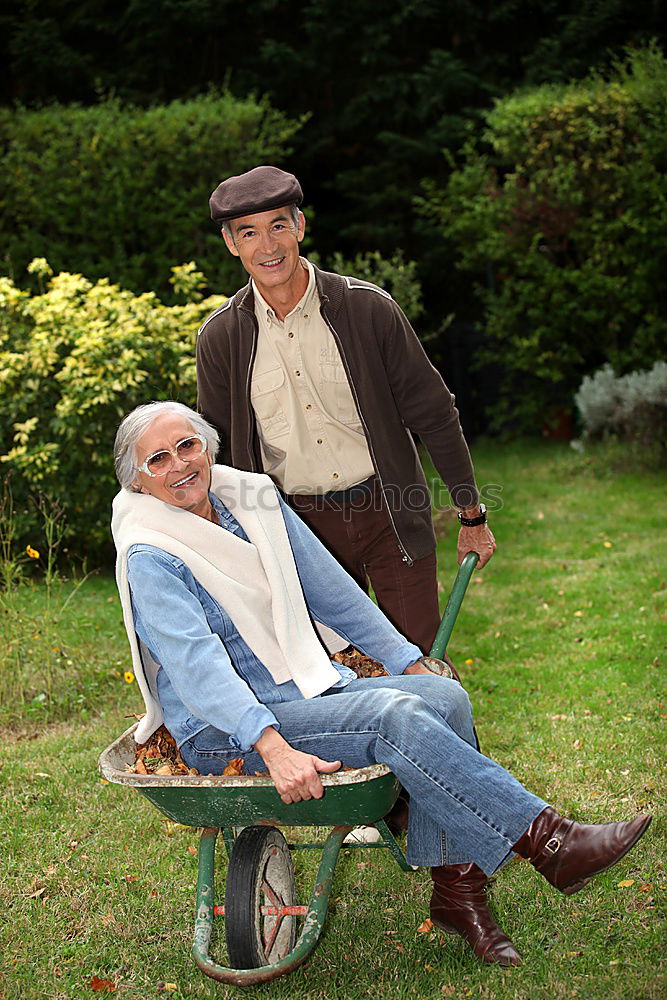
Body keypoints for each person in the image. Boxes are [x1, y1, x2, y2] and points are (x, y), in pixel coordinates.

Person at [111, 400, 651, 970]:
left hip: (302, 688)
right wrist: (271, 747)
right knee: (393, 717)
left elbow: (330, 588)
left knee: (443, 697)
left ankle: (457, 894)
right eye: (157, 460)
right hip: (228, 729)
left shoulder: (249, 500)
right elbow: (198, 669)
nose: (179, 465)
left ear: (208, 446)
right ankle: (551, 843)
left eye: (187, 446)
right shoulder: (152, 554)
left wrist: (405, 658)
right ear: (139, 483)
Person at [196, 165, 496, 656]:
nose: (267, 246)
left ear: (300, 226)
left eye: (278, 225)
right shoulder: (220, 339)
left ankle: (451, 736)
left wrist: (472, 516)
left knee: (420, 661)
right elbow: (220, 459)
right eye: (248, 233)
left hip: (389, 509)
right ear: (231, 244)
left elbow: (435, 413)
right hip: (298, 531)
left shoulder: (367, 309)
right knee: (340, 675)